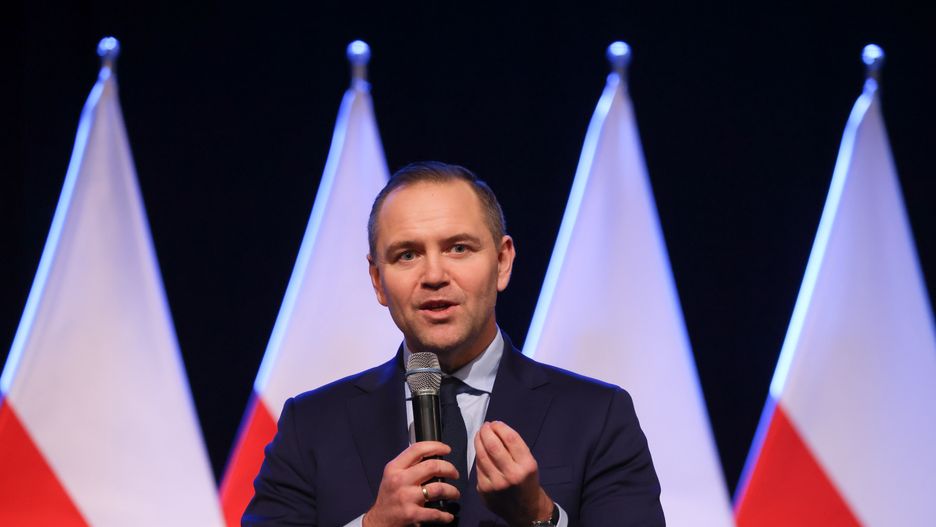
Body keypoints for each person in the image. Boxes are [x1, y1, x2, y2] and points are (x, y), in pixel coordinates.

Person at [243, 162, 665, 526]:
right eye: (407, 255)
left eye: (458, 248)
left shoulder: (597, 416)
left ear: (502, 262)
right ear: (378, 281)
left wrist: (539, 515)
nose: (434, 275)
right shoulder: (311, 425)